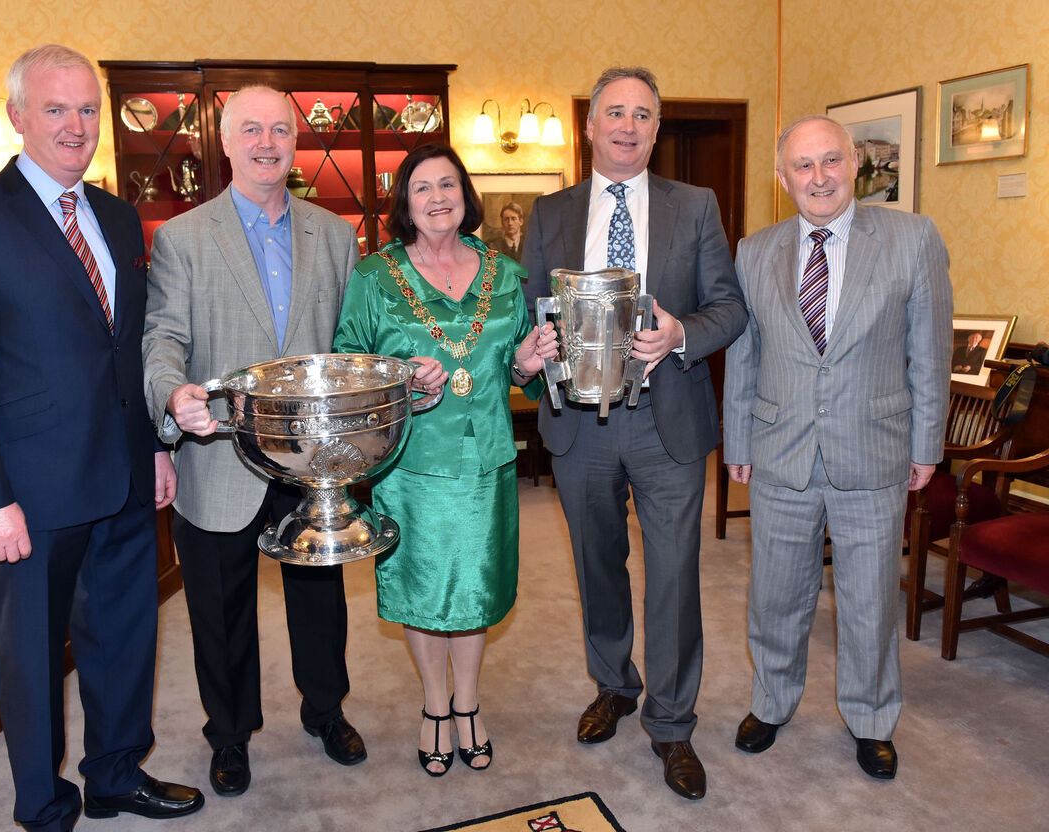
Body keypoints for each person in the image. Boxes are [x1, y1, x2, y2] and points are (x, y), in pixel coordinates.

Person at [0, 44, 203, 829]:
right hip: (27, 495)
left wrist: (153, 447)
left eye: (86, 111)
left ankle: (115, 776)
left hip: (119, 477)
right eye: (55, 109)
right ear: (16, 117)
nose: (75, 127)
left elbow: (130, 346)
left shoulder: (113, 213)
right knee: (34, 659)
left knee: (123, 638)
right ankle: (42, 805)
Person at [521, 67, 746, 801]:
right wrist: (531, 351)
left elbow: (730, 308)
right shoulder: (549, 211)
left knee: (675, 577)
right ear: (589, 124)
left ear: (656, 126)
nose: (627, 126)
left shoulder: (697, 206)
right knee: (596, 568)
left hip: (666, 421)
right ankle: (613, 685)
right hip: (578, 427)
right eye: (613, 113)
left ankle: (673, 723)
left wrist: (682, 333)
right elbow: (525, 316)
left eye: (642, 115)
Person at [141, 85, 373, 798]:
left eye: (279, 129)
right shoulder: (183, 237)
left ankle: (326, 710)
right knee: (218, 608)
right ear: (224, 140)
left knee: (319, 598)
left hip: (311, 463)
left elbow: (350, 342)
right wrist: (172, 397)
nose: (267, 142)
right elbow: (164, 340)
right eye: (251, 129)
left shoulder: (335, 234)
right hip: (219, 458)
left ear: (294, 141)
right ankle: (230, 734)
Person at [723, 115, 952, 780]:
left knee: (870, 597)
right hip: (779, 452)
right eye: (803, 165)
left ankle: (873, 718)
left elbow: (929, 353)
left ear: (854, 166)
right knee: (775, 593)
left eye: (830, 161)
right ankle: (771, 702)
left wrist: (927, 445)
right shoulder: (754, 250)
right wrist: (737, 438)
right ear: (782, 176)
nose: (818, 177)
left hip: (874, 450)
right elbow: (746, 356)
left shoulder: (913, 239)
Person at [333, 144, 557, 777]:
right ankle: (435, 706)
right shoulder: (375, 275)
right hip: (408, 466)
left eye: (449, 185)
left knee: (476, 592)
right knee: (423, 592)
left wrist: (530, 361)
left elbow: (516, 362)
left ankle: (469, 703)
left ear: (466, 196)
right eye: (422, 187)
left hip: (486, 459)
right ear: (405, 202)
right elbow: (349, 362)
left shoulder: (503, 272)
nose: (437, 197)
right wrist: (400, 374)